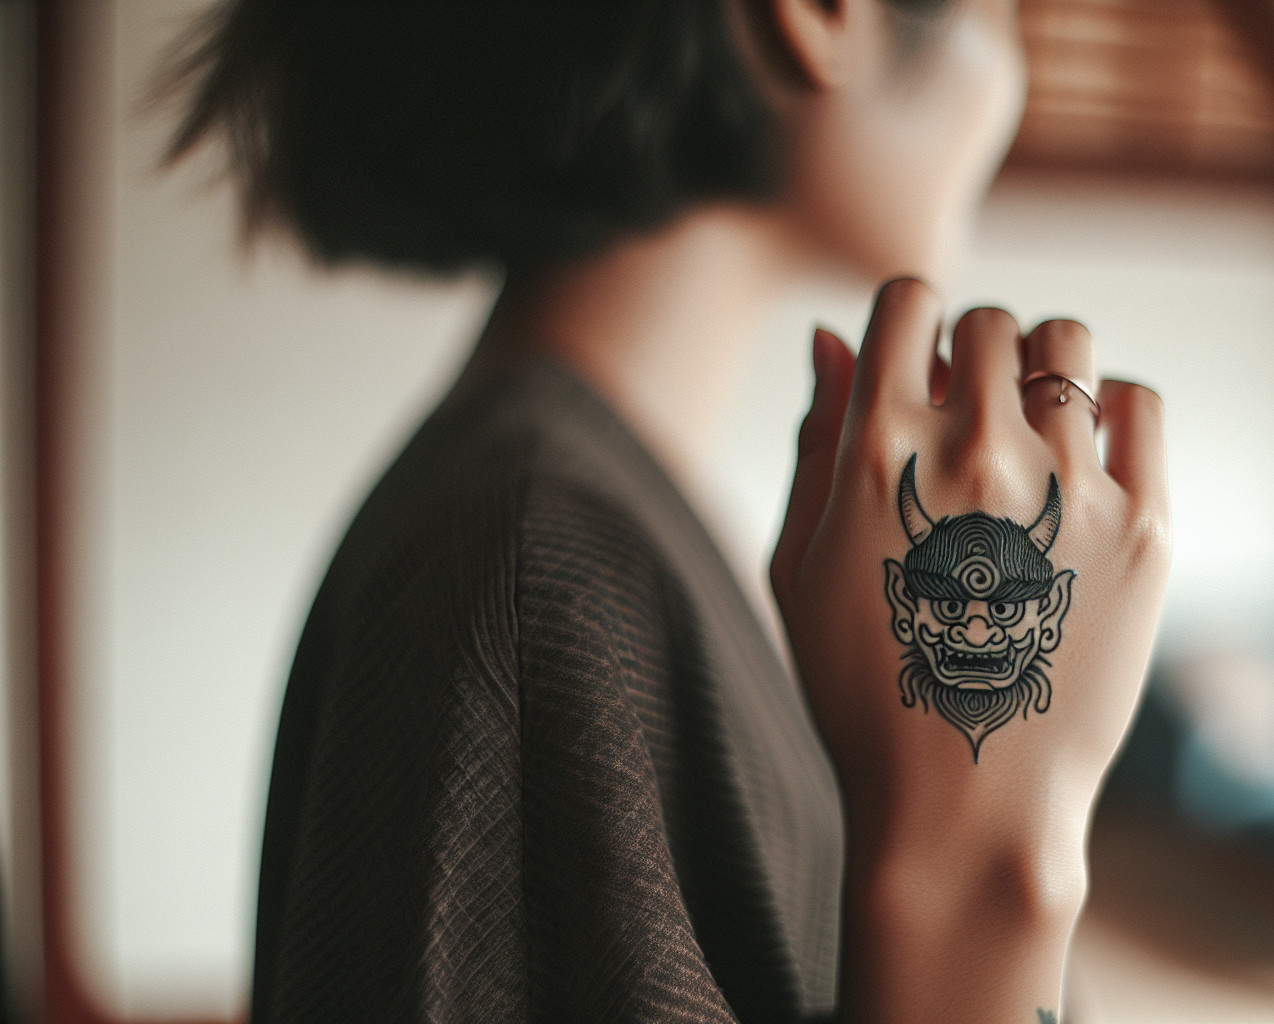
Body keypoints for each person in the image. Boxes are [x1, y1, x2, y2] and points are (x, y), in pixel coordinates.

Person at [166, 0, 1169, 1021]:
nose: (1013, 82)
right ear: (826, 15)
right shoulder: (533, 575)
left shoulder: (600, 520)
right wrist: (982, 865)